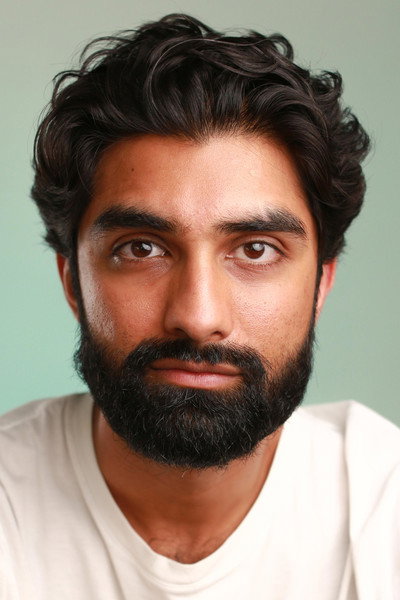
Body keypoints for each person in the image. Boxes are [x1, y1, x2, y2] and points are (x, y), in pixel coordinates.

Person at [1, 13, 399, 600]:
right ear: (72, 281)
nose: (198, 315)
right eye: (142, 248)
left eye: (255, 249)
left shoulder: (384, 505)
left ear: (321, 283)